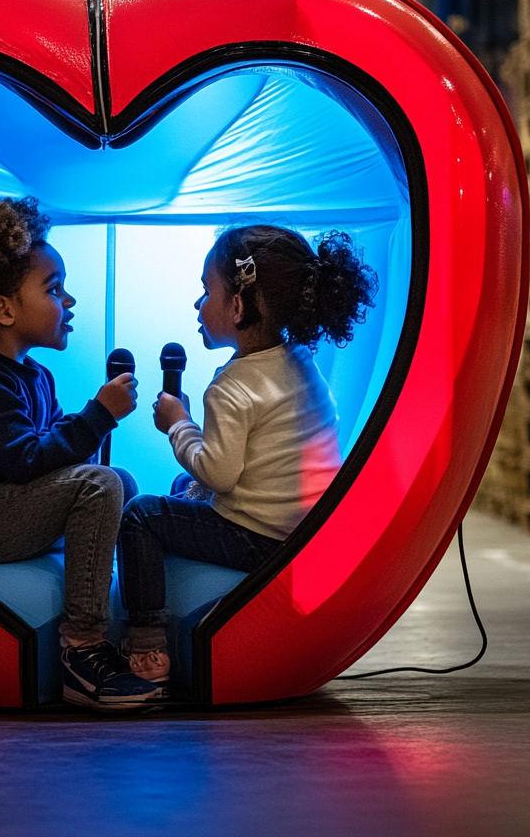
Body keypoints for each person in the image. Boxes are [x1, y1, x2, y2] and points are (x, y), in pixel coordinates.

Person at [0, 195, 158, 711]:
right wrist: (98, 416)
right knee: (101, 483)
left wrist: (89, 424)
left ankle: (128, 621)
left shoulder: (34, 375)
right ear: (4, 309)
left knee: (122, 482)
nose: (69, 302)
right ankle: (83, 650)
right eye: (53, 289)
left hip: (2, 506)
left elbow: (49, 453)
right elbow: (24, 460)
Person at [117, 225, 378, 697]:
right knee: (183, 486)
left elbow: (218, 472)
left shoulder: (232, 386)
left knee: (140, 515)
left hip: (258, 538)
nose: (197, 306)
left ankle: (145, 641)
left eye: (205, 292)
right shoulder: (299, 360)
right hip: (308, 530)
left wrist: (179, 423)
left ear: (237, 305)